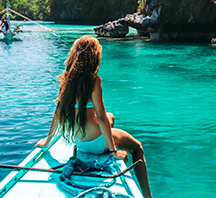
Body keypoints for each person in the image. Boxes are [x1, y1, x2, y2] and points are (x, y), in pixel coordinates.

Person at [35, 35, 153, 198]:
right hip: (96, 142)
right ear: (94, 57)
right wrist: (114, 152)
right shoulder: (94, 81)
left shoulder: (65, 80)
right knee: (137, 147)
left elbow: (57, 114)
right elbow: (101, 117)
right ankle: (148, 196)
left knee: (111, 117)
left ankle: (107, 141)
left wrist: (47, 142)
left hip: (80, 142)